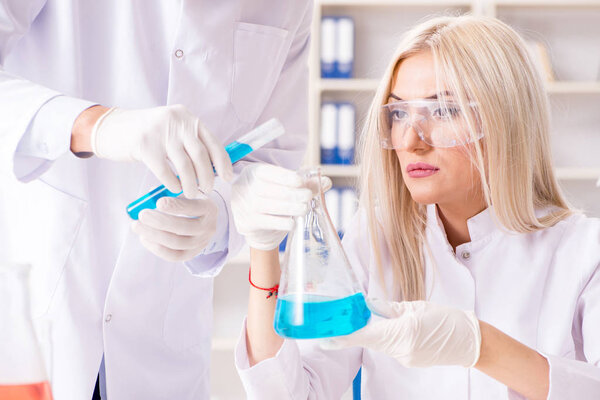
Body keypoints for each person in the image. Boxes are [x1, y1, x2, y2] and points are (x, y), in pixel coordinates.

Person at [230, 15, 600, 399]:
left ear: (506, 120)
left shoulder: (584, 252)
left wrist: (480, 346)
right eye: (399, 113)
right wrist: (264, 248)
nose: (410, 140)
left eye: (443, 111)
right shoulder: (374, 239)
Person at [0, 1, 313, 399]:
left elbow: (272, 157)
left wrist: (216, 219)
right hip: (39, 320)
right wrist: (93, 125)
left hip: (162, 353)